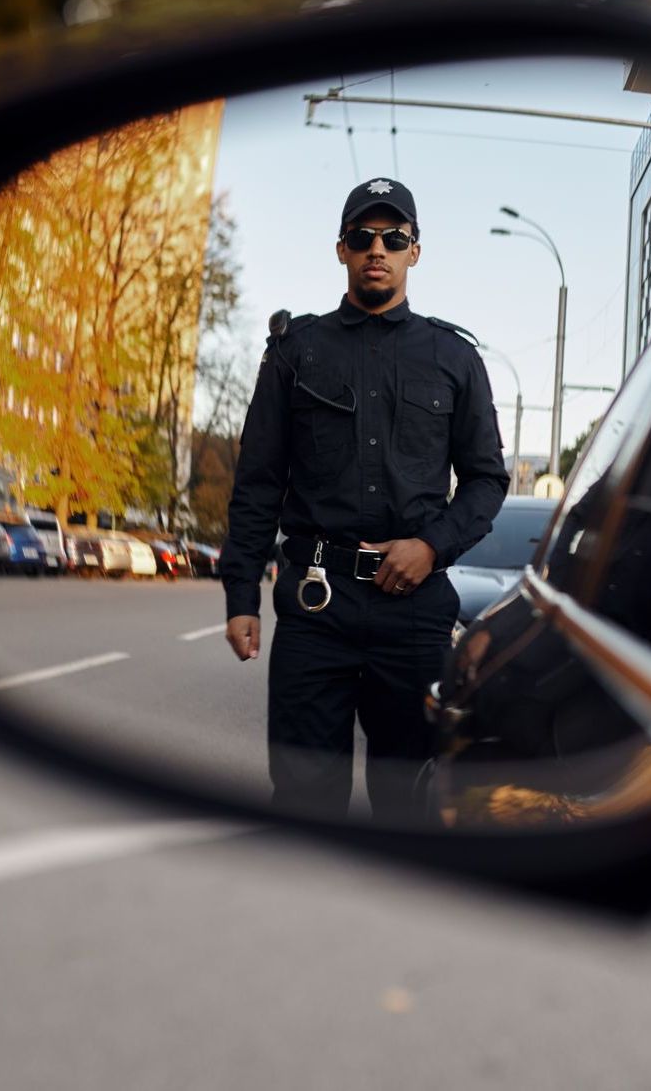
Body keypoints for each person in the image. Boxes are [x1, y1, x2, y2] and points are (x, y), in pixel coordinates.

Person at [220, 176, 509, 822]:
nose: (376, 248)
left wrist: (432, 545)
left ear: (414, 250)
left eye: (393, 236)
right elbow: (258, 481)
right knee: (301, 801)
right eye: (362, 236)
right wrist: (240, 592)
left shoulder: (453, 358)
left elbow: (488, 479)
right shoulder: (295, 353)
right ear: (341, 250)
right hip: (314, 605)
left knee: (410, 804)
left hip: (413, 614)